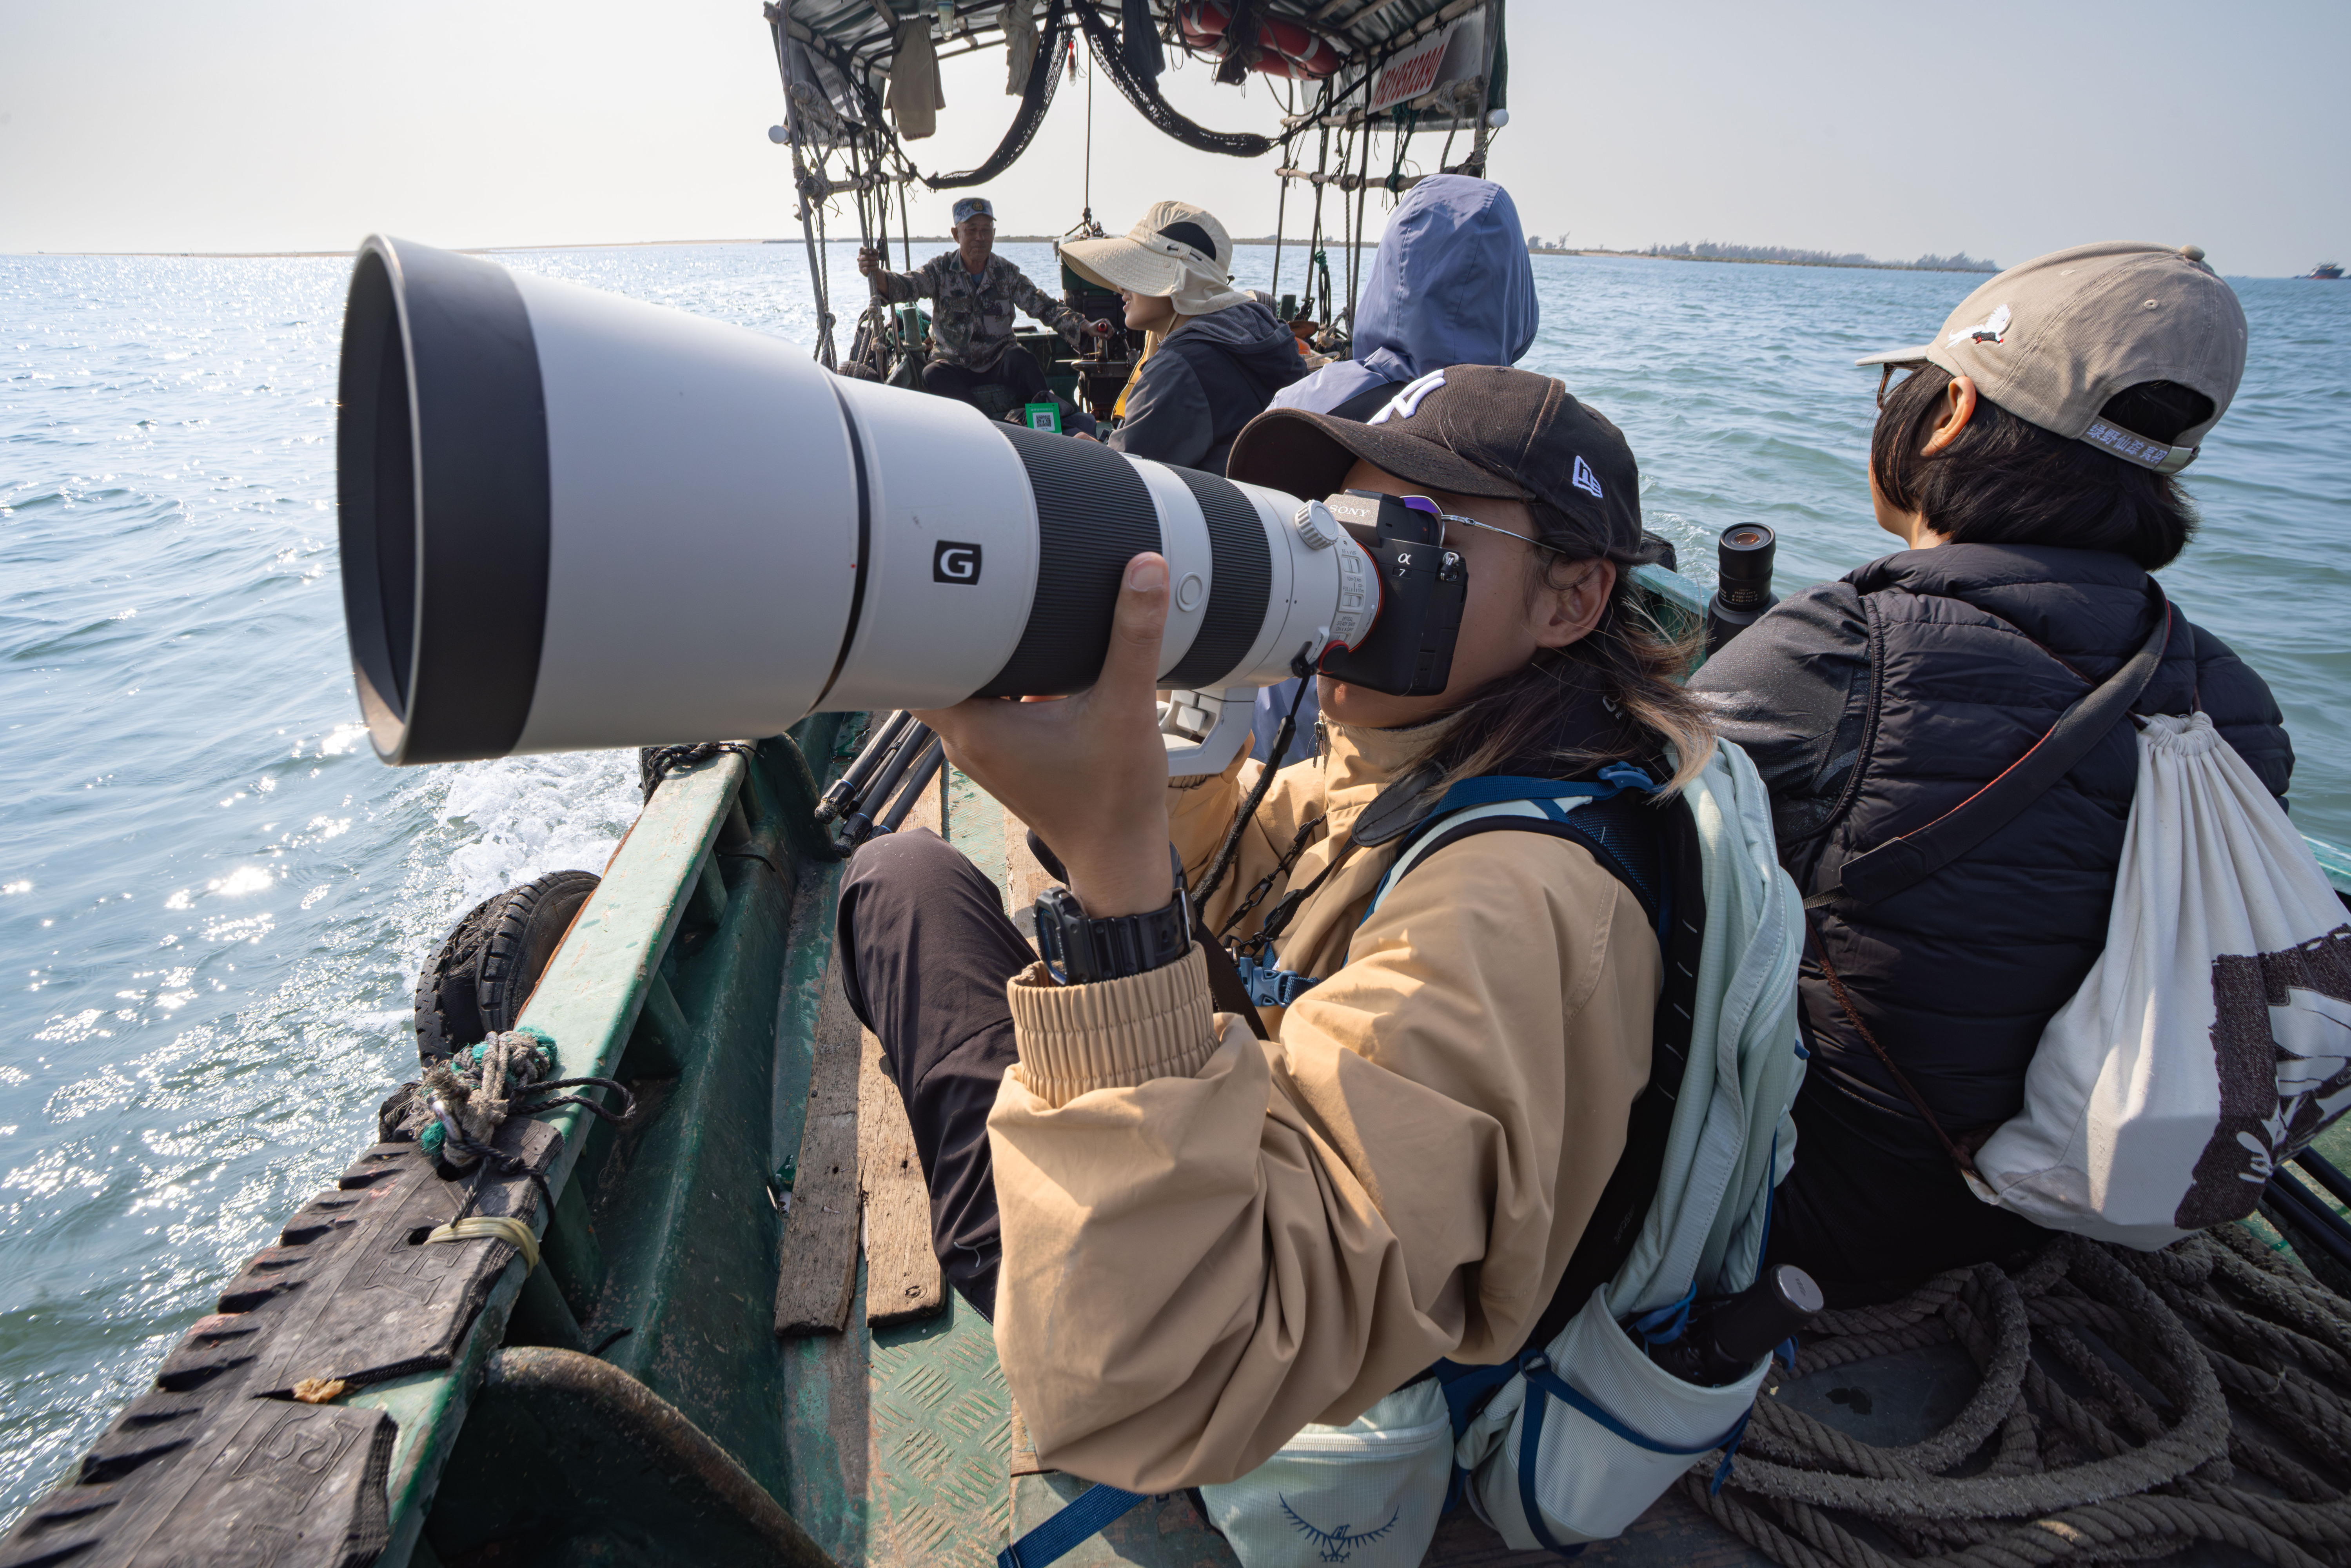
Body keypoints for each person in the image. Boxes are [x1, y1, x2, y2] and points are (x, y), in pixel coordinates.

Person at [834, 366, 1727, 1491]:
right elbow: (1233, 879)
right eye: (1332, 520)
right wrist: (1181, 725)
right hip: (1223, 1181)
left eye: (1407, 531)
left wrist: (1114, 869)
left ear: (1569, 600)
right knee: (937, 890)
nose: (1349, 560)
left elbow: (1153, 1384)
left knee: (902, 881)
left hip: (1162, 1315)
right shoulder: (1431, 755)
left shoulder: (1513, 901)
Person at [1687, 242, 2293, 1299]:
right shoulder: (2236, 704)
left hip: (1809, 1221)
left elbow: (1624, 838)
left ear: (1950, 413)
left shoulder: (1840, 648)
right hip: (2055, 1215)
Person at [1251, 174, 1541, 759]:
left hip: (1275, 708)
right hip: (1432, 740)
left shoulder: (1305, 403)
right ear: (1516, 299)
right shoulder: (1523, 433)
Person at [1061, 201, 1304, 473]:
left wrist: (1094, 456)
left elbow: (1121, 481)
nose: (1121, 287)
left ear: (1177, 281)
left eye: (1138, 271)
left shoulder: (1179, 369)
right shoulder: (1260, 337)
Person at [858, 196, 1108, 430]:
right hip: (954, 363)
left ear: (994, 234)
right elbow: (907, 285)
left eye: (986, 230)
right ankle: (985, 429)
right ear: (956, 234)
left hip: (998, 360)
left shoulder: (1006, 273)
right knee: (932, 374)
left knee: (1024, 361)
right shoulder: (941, 271)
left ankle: (1048, 429)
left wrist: (1084, 325)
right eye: (971, 230)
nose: (980, 237)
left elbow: (1044, 306)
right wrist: (876, 273)